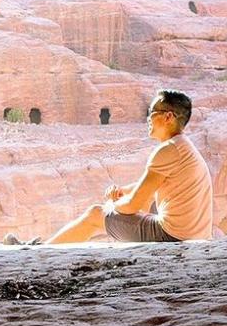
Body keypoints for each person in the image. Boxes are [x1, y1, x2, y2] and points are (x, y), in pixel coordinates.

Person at [48, 89, 214, 244]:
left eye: (151, 113)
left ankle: (40, 252)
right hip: (194, 236)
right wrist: (123, 191)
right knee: (145, 205)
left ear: (168, 117)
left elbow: (132, 205)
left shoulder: (168, 150)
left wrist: (113, 205)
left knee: (95, 214)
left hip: (172, 238)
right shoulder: (183, 147)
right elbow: (150, 186)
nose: (148, 119)